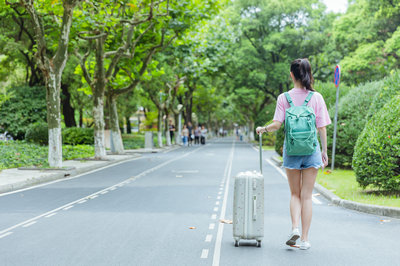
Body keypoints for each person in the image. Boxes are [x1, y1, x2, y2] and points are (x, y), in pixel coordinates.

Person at [256, 58, 331, 250]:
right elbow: (321, 127)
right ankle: (305, 239)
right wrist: (324, 151)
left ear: (291, 75)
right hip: (311, 150)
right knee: (307, 196)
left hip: (291, 151)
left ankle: (294, 227)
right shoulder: (316, 98)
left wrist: (262, 129)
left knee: (295, 194)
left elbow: (276, 125)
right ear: (309, 74)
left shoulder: (284, 98)